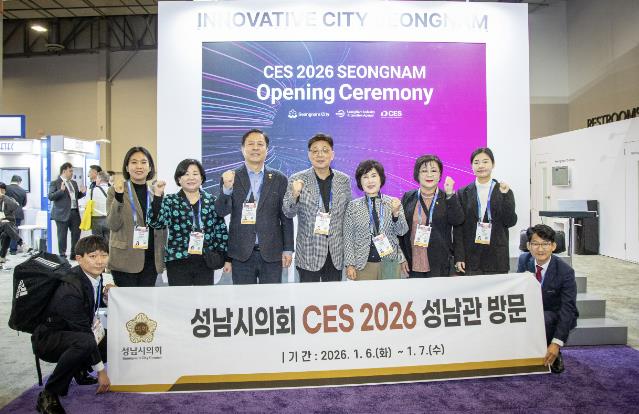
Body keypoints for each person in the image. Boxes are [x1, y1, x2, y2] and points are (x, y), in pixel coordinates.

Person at [32, 235, 113, 414]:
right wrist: (101, 372)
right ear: (79, 258)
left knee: (111, 339)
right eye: (93, 256)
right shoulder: (70, 288)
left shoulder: (93, 276)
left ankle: (80, 371)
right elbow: (85, 332)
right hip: (48, 340)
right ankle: (49, 394)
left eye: (104, 255)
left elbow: (89, 304)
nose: (99, 261)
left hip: (70, 332)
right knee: (85, 342)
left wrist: (107, 296)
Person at [216, 129, 294, 284]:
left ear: (267, 149)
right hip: (241, 254)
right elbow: (221, 211)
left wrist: (288, 249)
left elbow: (286, 217)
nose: (255, 148)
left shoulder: (279, 179)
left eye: (260, 144)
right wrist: (226, 189)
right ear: (242, 149)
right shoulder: (231, 177)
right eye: (251, 144)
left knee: (272, 297)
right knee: (243, 298)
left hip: (272, 253)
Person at [283, 133, 352, 282]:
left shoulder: (344, 180)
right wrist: (294, 194)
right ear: (309, 155)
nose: (320, 155)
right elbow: (288, 212)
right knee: (309, 297)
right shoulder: (297, 179)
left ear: (332, 155)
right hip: (308, 253)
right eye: (315, 151)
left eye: (325, 150)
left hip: (335, 254)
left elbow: (348, 218)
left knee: (333, 296)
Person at [148, 159, 229, 286]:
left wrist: (225, 258)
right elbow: (156, 223)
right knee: (180, 298)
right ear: (179, 179)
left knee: (203, 298)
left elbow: (221, 231)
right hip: (177, 260)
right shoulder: (170, 201)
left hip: (206, 260)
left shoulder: (212, 201)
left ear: (201, 178)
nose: (191, 177)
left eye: (195, 173)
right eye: (186, 174)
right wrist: (158, 196)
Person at [517, 224, 578, 374]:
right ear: (528, 246)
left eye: (545, 244)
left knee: (545, 318)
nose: (540, 249)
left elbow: (567, 308)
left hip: (555, 313)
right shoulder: (524, 260)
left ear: (553, 246)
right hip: (532, 308)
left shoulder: (565, 271)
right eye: (535, 244)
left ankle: (554, 352)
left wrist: (556, 343)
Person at [106, 147, 166, 287]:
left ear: (150, 167)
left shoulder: (154, 192)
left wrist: (158, 198)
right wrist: (119, 197)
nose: (139, 166)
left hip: (150, 259)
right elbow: (112, 224)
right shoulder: (116, 190)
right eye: (134, 162)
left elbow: (160, 224)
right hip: (125, 259)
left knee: (145, 300)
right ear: (127, 167)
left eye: (143, 162)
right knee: (126, 300)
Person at [453, 148, 517, 275]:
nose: (481, 166)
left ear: (493, 164)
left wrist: (505, 196)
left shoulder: (504, 190)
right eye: (476, 162)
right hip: (470, 257)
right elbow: (458, 228)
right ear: (471, 166)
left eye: (485, 161)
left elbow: (510, 221)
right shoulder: (462, 193)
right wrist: (459, 256)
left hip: (497, 256)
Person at [399, 155, 464, 278]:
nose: (429, 175)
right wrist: (401, 257)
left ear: (440, 175)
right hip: (413, 262)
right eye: (424, 171)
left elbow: (458, 221)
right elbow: (401, 230)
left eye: (434, 171)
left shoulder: (447, 197)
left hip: (439, 263)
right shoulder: (408, 197)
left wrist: (450, 195)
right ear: (417, 175)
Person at [344, 160, 408, 281]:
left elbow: (402, 231)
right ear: (360, 181)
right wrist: (350, 264)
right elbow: (348, 237)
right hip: (363, 265)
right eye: (365, 177)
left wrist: (395, 214)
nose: (370, 181)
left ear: (380, 178)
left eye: (373, 176)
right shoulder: (353, 206)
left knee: (390, 294)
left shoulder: (393, 202)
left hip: (390, 262)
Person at [48, 163, 86, 259]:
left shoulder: (74, 183)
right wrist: (61, 191)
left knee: (76, 234)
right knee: (62, 236)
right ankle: (62, 255)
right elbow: (51, 196)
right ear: (64, 171)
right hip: (62, 214)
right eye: (70, 171)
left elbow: (75, 197)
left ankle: (74, 254)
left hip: (74, 212)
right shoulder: (55, 183)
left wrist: (82, 193)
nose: (72, 173)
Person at [0, 182, 23, 267]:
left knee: (6, 233)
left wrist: (4, 197)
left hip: (8, 225)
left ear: (5, 191)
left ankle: (2, 257)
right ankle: (20, 242)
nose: (0, 192)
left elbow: (14, 207)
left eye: (2, 190)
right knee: (6, 226)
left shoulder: (9, 199)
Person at [6, 175, 27, 255]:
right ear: (19, 182)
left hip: (6, 213)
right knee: (15, 231)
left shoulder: (5, 188)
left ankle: (4, 248)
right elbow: (24, 203)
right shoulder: (23, 191)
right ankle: (13, 250)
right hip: (18, 213)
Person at [90, 171, 110, 242]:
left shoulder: (91, 191)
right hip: (109, 219)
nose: (96, 180)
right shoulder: (113, 190)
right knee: (109, 242)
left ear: (100, 179)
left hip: (96, 220)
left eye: (97, 178)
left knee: (97, 243)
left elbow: (86, 205)